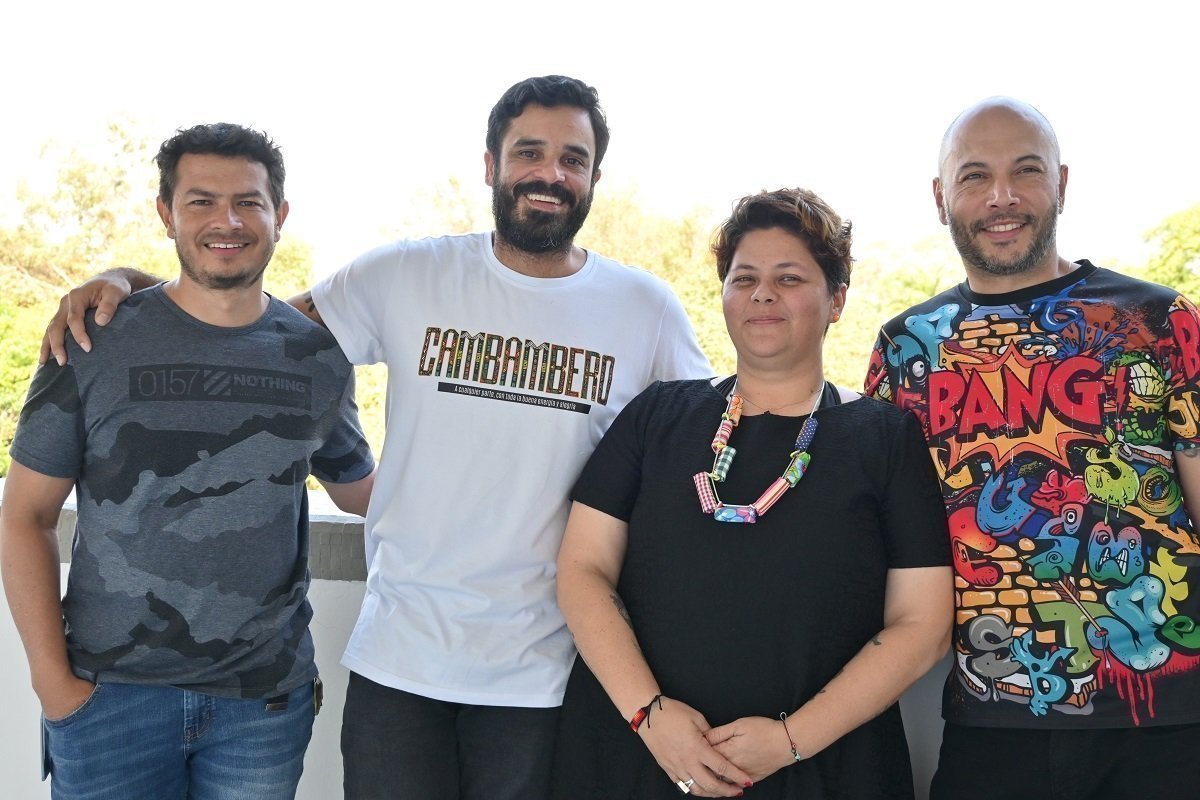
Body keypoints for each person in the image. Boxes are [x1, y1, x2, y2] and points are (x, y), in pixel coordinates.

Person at [39, 75, 712, 799]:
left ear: (594, 178)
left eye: (572, 159)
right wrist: (129, 279)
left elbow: (715, 442)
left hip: (548, 670)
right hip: (400, 659)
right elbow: (239, 323)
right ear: (491, 164)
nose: (549, 173)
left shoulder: (644, 308)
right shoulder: (406, 273)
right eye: (529, 152)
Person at [1, 123, 375, 799]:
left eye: (248, 202)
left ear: (279, 216)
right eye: (201, 201)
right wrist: (52, 685)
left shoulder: (317, 359)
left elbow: (363, 493)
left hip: (260, 704)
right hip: (108, 698)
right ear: (165, 213)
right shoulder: (92, 340)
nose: (226, 221)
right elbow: (25, 516)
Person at [550, 188, 952, 799]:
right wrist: (650, 717)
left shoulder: (885, 438)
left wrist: (790, 741)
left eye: (790, 277)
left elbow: (921, 624)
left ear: (836, 299)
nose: (763, 293)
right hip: (638, 760)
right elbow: (582, 568)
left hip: (824, 771)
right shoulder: (657, 415)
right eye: (745, 278)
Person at [865, 97, 1200, 799]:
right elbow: (873, 540)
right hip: (990, 723)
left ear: (1063, 182)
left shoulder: (1160, 321)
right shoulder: (906, 350)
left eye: (1026, 171)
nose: (1002, 197)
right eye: (975, 176)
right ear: (940, 197)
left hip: (1171, 724)